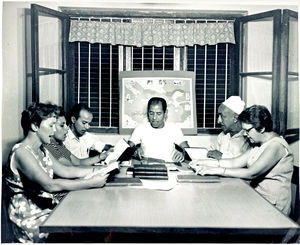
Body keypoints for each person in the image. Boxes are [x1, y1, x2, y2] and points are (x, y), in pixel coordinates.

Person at [4, 103, 109, 243]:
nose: (54, 132)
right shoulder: (21, 152)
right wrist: (90, 182)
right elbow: (49, 185)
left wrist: (99, 169)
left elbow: (66, 170)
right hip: (31, 217)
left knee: (92, 222)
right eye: (51, 126)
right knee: (85, 230)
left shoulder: (43, 149)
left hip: (46, 207)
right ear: (35, 126)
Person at [190, 105, 294, 215]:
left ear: (262, 129)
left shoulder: (276, 145)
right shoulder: (258, 144)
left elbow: (251, 173)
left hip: (273, 208)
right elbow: (234, 162)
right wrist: (203, 162)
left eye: (247, 130)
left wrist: (215, 170)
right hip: (257, 198)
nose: (244, 134)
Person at [128, 97, 189, 162]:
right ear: (147, 112)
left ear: (165, 113)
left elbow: (188, 151)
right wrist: (135, 151)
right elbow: (126, 149)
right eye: (151, 113)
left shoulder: (174, 128)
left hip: (169, 167)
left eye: (158, 114)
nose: (154, 118)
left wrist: (183, 154)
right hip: (147, 167)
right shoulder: (141, 128)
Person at [45, 106, 111, 166]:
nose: (67, 128)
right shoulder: (53, 143)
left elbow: (78, 162)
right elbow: (68, 170)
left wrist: (102, 157)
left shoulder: (58, 145)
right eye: (62, 125)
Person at [207, 96, 250, 160]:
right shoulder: (222, 136)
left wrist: (222, 156)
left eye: (222, 116)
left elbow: (246, 162)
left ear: (235, 118)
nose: (218, 121)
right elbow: (213, 154)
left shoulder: (249, 138)